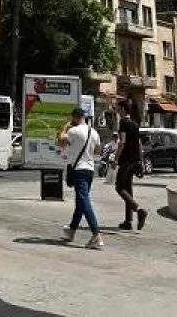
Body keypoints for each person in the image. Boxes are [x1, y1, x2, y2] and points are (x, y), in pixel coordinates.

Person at [57, 106, 104, 249]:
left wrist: (65, 127)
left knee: (84, 201)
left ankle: (96, 234)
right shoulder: (94, 132)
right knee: (80, 202)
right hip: (90, 170)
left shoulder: (73, 131)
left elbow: (60, 141)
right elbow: (98, 150)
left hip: (79, 170)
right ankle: (71, 231)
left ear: (75, 118)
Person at [114, 98, 149, 231]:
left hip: (125, 160)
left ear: (123, 109)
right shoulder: (135, 123)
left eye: (118, 109)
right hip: (134, 160)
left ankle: (139, 210)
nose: (118, 112)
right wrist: (140, 161)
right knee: (128, 189)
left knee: (119, 188)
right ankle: (128, 221)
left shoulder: (123, 122)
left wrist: (115, 159)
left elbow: (122, 142)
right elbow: (139, 144)